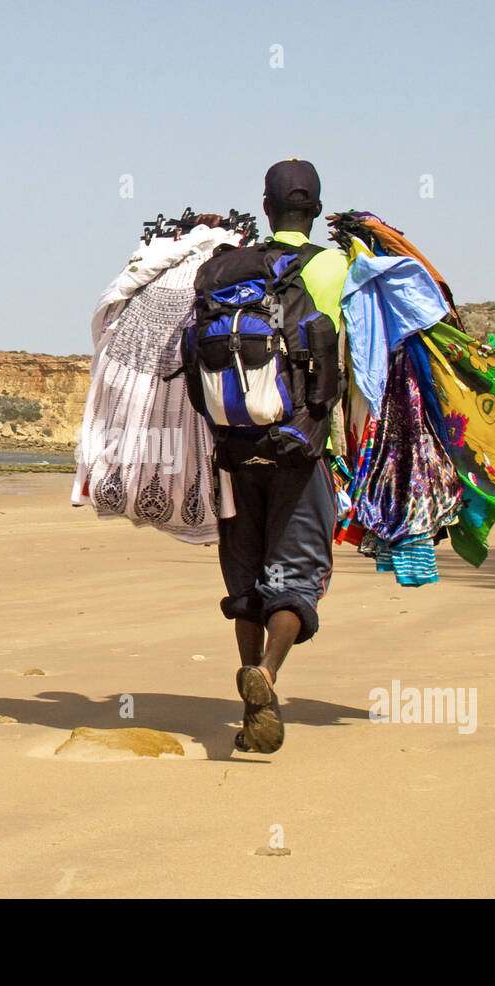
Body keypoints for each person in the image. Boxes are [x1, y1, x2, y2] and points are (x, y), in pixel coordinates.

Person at [204, 160, 351, 755]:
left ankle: (250, 711)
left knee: (246, 586)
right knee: (295, 579)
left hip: (234, 453)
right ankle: (265, 676)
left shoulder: (225, 270)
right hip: (300, 449)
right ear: (314, 210)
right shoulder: (335, 266)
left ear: (265, 209)